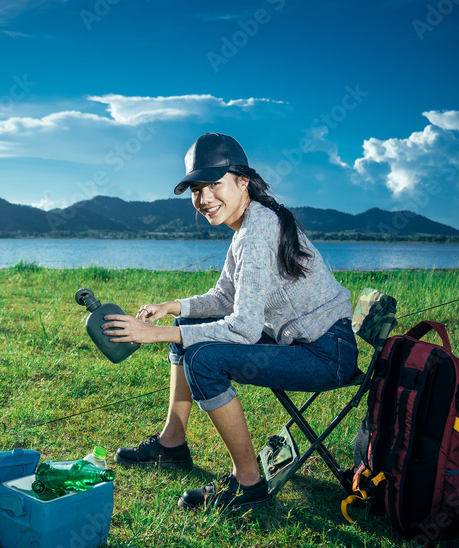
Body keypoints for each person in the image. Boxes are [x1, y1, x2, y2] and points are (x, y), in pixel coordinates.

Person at [101, 132, 358, 510]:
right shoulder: (249, 226)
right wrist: (172, 307)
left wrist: (154, 334)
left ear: (243, 181)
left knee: (202, 359)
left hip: (326, 355)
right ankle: (172, 444)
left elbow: (243, 327)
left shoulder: (258, 229)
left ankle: (248, 483)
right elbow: (224, 296)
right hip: (308, 344)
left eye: (214, 185)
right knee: (187, 336)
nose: (204, 199)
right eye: (196, 189)